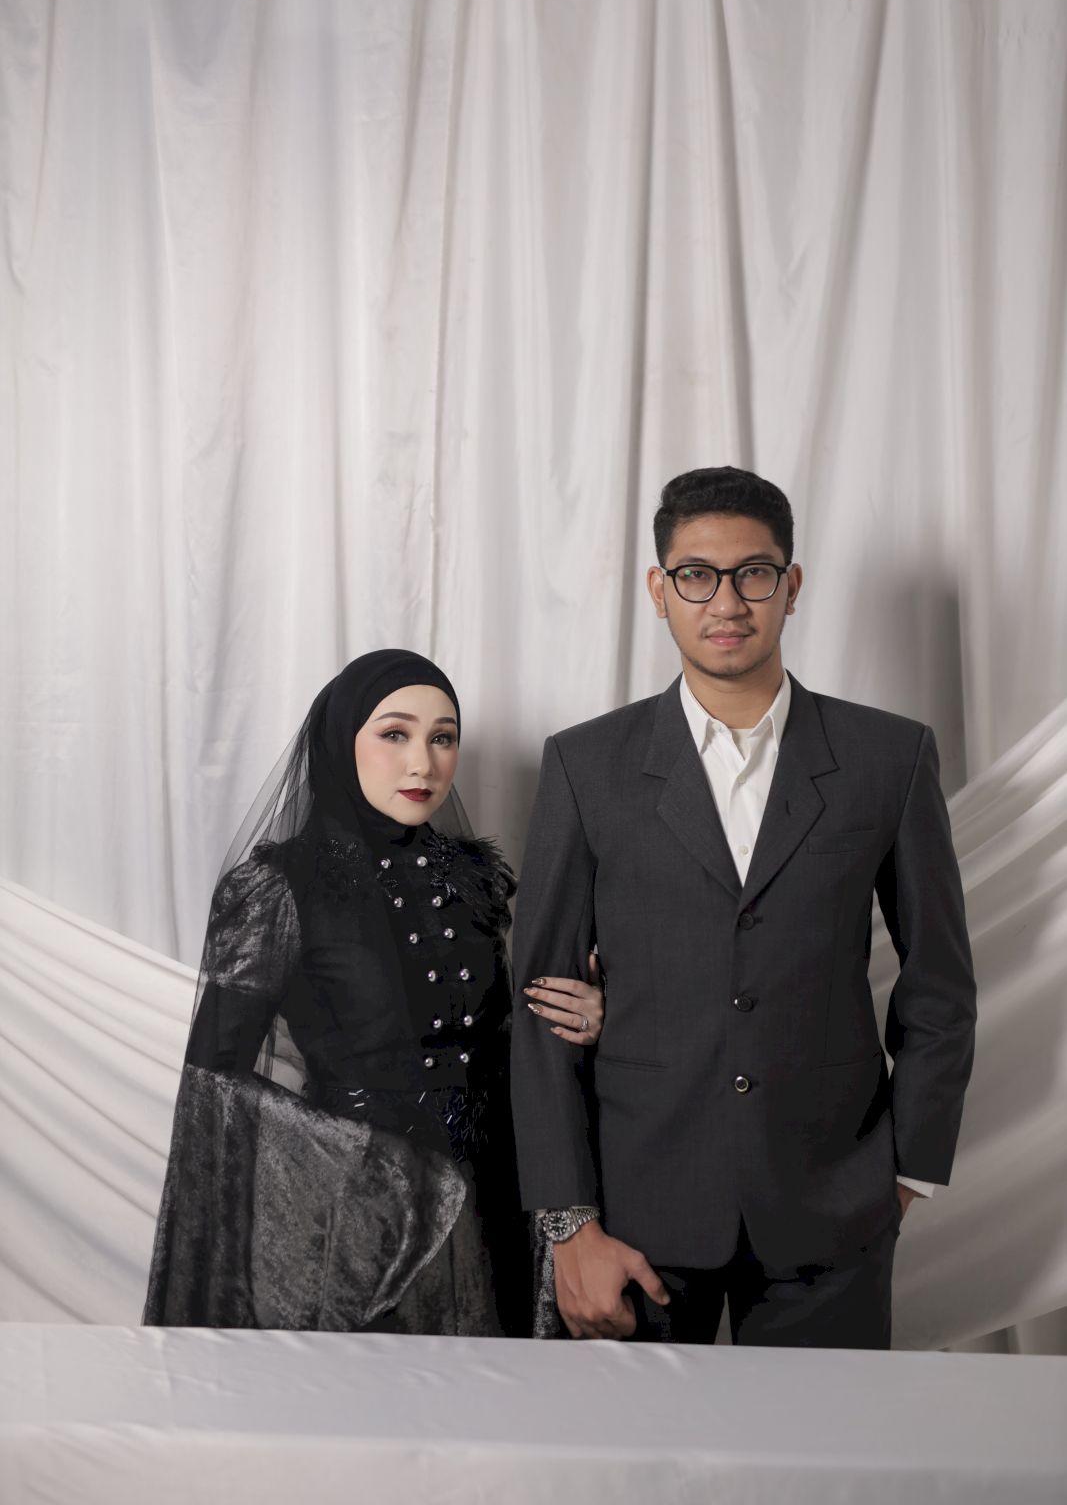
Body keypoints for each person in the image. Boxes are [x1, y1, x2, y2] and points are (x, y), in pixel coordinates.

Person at [510, 467, 977, 1349]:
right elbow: (542, 1006)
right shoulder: (585, 765)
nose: (725, 602)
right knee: (630, 1445)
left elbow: (940, 985)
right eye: (696, 575)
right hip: (634, 1211)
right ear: (659, 591)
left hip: (832, 1207)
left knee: (828, 1444)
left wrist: (906, 1172)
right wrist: (568, 1225)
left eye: (752, 574)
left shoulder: (888, 757)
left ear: (790, 586)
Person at [144, 649, 603, 1334]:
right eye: (394, 734)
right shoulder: (280, 887)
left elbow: (510, 1039)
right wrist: (361, 1159)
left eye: (442, 738)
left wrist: (590, 1019)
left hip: (495, 1207)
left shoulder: (473, 879)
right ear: (342, 741)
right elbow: (215, 1086)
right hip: (357, 1227)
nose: (423, 763)